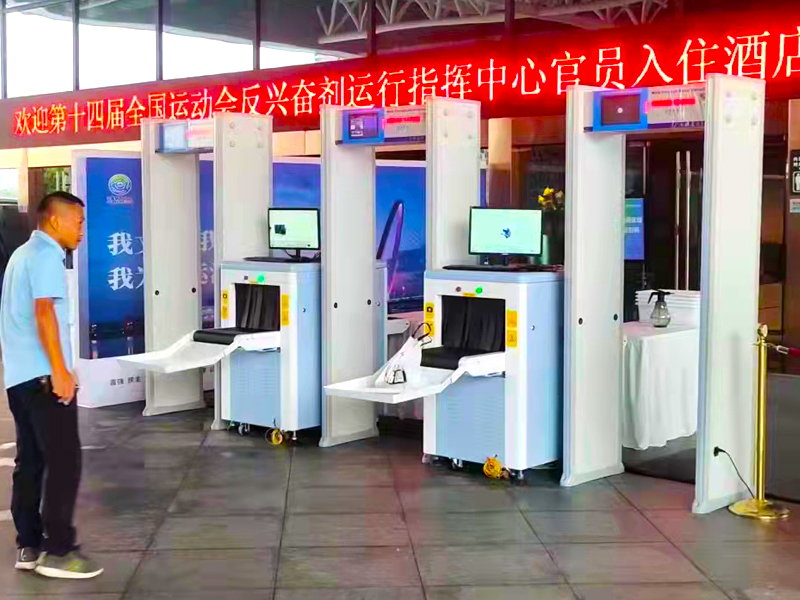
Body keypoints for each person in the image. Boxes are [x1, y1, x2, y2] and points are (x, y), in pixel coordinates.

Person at [0, 192, 102, 579]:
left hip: (19, 378)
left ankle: (29, 545)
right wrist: (59, 370)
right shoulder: (46, 256)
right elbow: (44, 313)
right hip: (44, 379)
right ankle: (59, 551)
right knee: (63, 462)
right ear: (56, 221)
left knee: (31, 461)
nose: (82, 230)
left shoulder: (21, 255)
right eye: (78, 222)